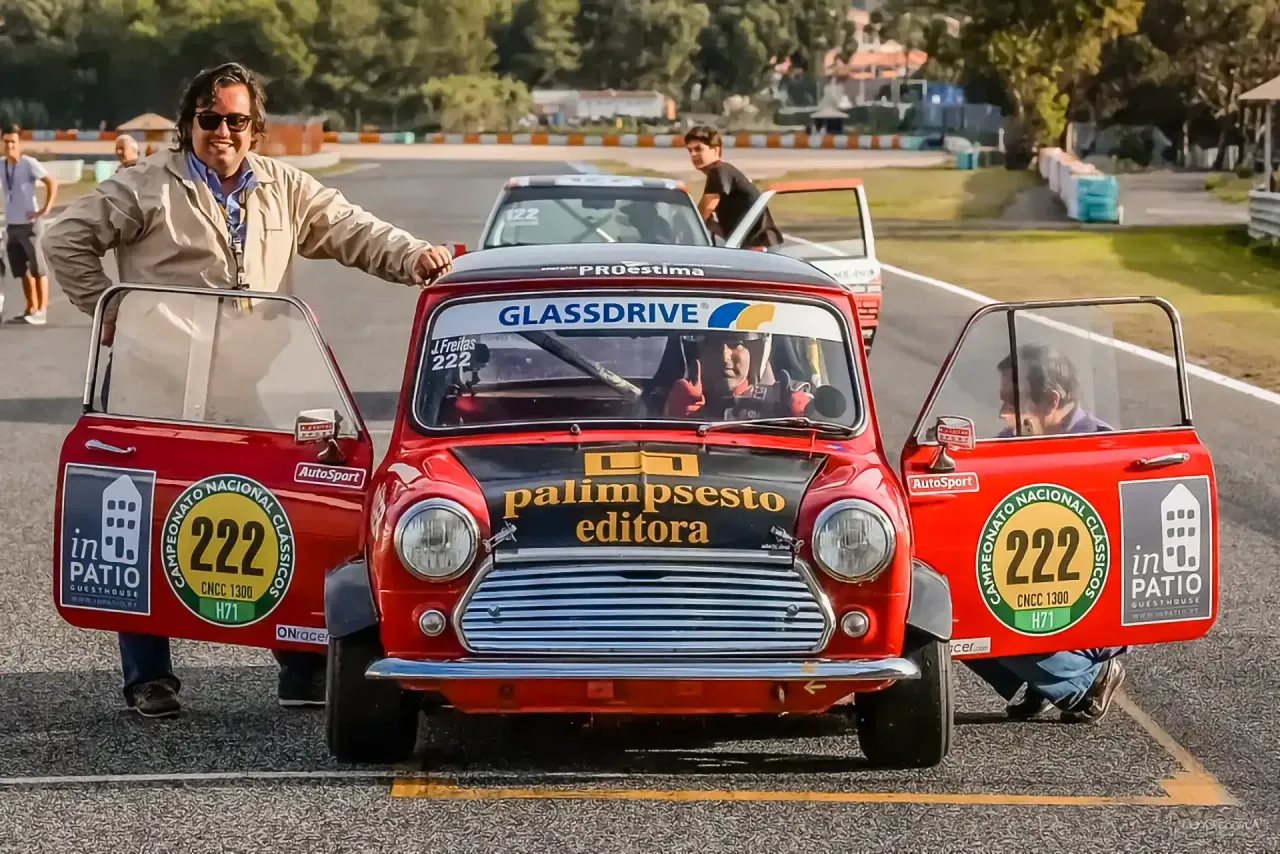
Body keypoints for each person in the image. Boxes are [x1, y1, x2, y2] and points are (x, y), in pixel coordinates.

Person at [43, 61, 453, 720]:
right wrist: (110, 312)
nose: (223, 132)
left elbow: (353, 228)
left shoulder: (284, 187)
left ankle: (299, 666)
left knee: (289, 505)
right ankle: (149, 677)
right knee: (142, 520)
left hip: (252, 381)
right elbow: (65, 237)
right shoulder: (145, 184)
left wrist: (415, 256)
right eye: (210, 119)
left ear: (255, 128)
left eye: (237, 120)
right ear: (188, 124)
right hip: (157, 384)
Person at [964, 344, 1127, 724]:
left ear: (1051, 400)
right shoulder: (1012, 438)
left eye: (1012, 401)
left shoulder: (1099, 451)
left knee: (993, 625)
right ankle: (1043, 683)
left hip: (1088, 608)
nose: (1003, 411)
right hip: (1029, 590)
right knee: (955, 617)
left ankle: (1090, 680)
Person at [664, 331, 811, 420]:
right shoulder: (671, 398)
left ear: (754, 353)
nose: (725, 357)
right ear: (699, 353)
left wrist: (803, 415)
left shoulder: (786, 398)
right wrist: (674, 418)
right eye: (714, 346)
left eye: (735, 345)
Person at [684, 125, 783, 248]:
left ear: (716, 150)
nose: (693, 154)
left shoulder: (718, 171)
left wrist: (683, 231)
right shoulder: (725, 171)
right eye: (690, 150)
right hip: (756, 244)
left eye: (698, 149)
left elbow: (703, 212)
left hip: (760, 245)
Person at [2, 123, 57, 325]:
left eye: (13, 142)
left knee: (38, 267)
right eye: (6, 142)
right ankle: (30, 308)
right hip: (12, 224)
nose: (10, 146)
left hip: (29, 224)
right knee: (20, 270)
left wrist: (45, 209)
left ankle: (42, 311)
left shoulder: (28, 163)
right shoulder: (2, 165)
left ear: (20, 142)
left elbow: (51, 182)